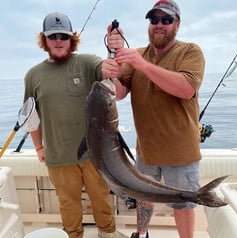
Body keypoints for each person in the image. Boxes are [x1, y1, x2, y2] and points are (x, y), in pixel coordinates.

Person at [103, 1, 205, 238]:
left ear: (177, 24)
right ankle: (142, 233)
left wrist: (142, 65)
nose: (159, 25)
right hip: (146, 150)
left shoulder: (190, 51)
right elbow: (117, 93)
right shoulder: (136, 55)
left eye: (166, 20)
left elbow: (186, 88)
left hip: (181, 152)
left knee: (184, 204)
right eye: (154, 20)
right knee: (143, 198)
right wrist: (110, 58)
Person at [23, 12, 129, 238]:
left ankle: (108, 232)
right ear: (45, 40)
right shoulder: (33, 75)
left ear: (72, 39)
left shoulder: (87, 62)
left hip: (93, 154)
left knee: (101, 197)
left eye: (64, 35)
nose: (59, 40)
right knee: (68, 204)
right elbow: (31, 117)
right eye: (53, 36)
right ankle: (73, 235)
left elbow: (106, 70)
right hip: (58, 156)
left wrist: (114, 51)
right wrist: (39, 148)